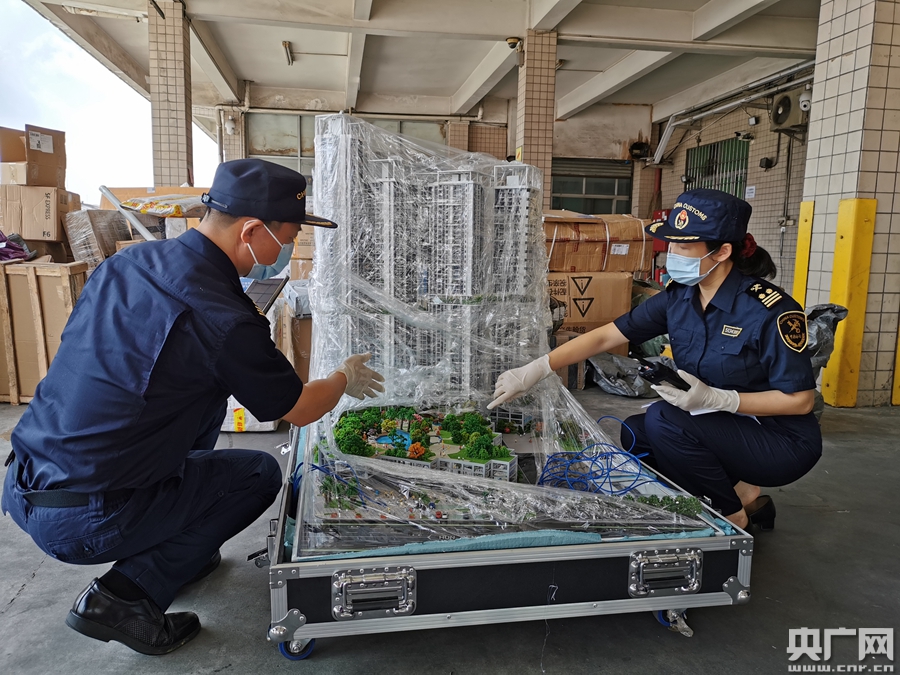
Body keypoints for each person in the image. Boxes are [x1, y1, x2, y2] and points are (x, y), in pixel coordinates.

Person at [1, 159, 385, 655]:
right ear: (252, 231)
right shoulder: (224, 316)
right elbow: (300, 409)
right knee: (257, 475)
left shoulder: (129, 264)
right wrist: (343, 377)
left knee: (203, 403)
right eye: (288, 238)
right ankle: (124, 597)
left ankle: (183, 542)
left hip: (26, 478)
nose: (285, 251)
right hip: (85, 518)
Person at [489, 188, 821, 531]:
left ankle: (731, 516)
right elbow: (606, 336)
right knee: (638, 431)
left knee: (665, 420)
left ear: (722, 252)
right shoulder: (680, 298)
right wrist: (538, 368)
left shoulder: (770, 310)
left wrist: (720, 399)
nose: (671, 254)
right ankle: (741, 495)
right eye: (671, 244)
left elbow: (800, 401)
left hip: (778, 440)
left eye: (684, 247)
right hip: (720, 425)